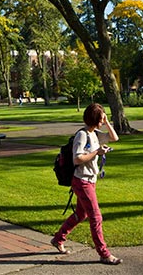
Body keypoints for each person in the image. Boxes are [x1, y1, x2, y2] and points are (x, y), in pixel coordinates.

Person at [50, 103, 121, 265]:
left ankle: (58, 239)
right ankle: (104, 254)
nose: (103, 120)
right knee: (96, 217)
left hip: (90, 180)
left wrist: (107, 121)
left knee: (81, 215)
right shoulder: (82, 135)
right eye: (101, 118)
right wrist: (97, 152)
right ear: (95, 119)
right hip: (81, 181)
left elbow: (114, 137)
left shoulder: (94, 133)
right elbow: (77, 158)